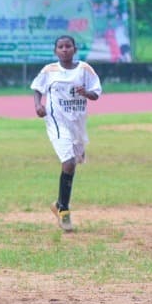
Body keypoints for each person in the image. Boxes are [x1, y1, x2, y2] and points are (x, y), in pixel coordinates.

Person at [31, 35, 103, 232]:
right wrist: (38, 105)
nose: (64, 49)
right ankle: (64, 211)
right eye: (60, 47)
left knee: (72, 165)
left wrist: (86, 93)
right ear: (55, 51)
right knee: (68, 162)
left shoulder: (85, 70)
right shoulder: (49, 71)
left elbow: (96, 93)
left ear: (75, 49)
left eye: (68, 46)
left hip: (77, 122)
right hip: (57, 121)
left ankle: (58, 203)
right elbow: (37, 88)